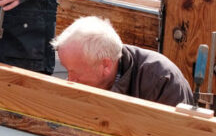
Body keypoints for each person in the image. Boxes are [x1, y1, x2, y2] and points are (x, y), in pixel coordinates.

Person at [52, 16, 194, 106]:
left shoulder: (162, 80)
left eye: (74, 72)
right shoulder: (92, 69)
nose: (69, 80)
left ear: (106, 65)